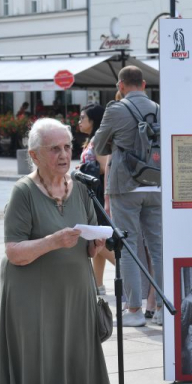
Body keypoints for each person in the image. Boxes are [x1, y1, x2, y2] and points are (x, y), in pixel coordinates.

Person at [0, 118, 113, 384]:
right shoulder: (23, 192)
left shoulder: (83, 188)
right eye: (54, 148)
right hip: (31, 298)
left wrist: (95, 246)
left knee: (75, 366)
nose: (63, 154)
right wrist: (52, 241)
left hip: (75, 294)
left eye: (67, 146)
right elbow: (14, 251)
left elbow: (87, 247)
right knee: (36, 371)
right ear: (34, 155)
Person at [93, 65, 163, 327]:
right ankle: (162, 311)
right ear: (144, 84)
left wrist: (119, 142)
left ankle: (134, 310)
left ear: (120, 86)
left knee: (130, 247)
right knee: (159, 248)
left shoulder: (115, 109)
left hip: (126, 184)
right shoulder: (159, 109)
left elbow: (99, 145)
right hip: (156, 183)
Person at [77, 103, 116, 295]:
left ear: (93, 119)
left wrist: (85, 169)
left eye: (82, 117)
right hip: (94, 194)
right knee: (98, 240)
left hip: (98, 195)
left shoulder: (98, 141)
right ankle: (98, 284)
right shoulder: (93, 139)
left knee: (98, 238)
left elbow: (103, 167)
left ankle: (129, 274)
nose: (79, 121)